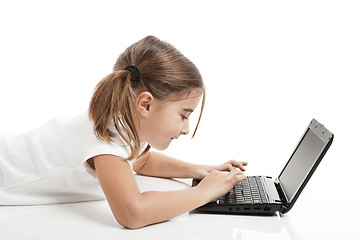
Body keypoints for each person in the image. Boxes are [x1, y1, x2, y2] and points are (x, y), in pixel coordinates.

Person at [0, 36, 247, 229]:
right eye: (183, 115)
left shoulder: (122, 120)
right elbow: (133, 213)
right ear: (146, 104)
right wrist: (204, 192)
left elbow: (140, 160)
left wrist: (198, 170)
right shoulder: (105, 143)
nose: (186, 129)